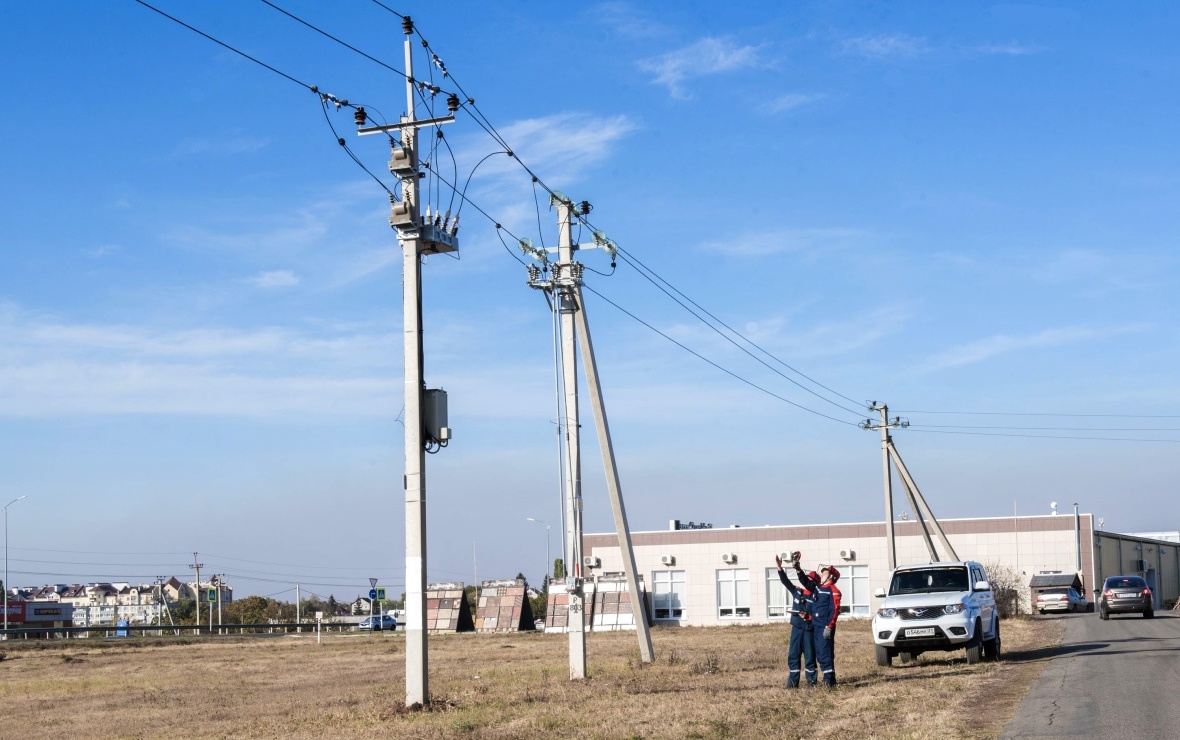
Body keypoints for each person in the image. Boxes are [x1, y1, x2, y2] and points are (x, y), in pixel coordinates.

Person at [774, 553, 817, 687]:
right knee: (793, 654)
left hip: (809, 629)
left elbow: (818, 614)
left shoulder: (817, 596)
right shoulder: (798, 592)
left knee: (810, 656)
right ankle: (792, 682)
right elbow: (786, 582)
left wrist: (808, 616)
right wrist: (779, 567)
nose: (805, 582)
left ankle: (811, 682)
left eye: (809, 580)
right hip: (797, 628)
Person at [798, 564, 842, 687]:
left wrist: (829, 626)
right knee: (819, 653)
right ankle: (830, 679)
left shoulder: (834, 591)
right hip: (816, 626)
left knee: (825, 652)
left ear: (831, 576)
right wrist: (798, 569)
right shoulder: (818, 588)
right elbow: (806, 582)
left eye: (824, 573)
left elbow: (835, 611)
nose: (821, 575)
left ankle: (829, 680)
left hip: (824, 627)